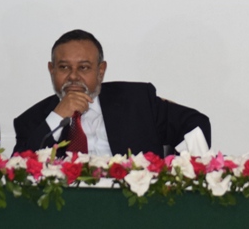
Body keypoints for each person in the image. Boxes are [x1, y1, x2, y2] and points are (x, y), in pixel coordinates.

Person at [13, 29, 211, 156]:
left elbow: (196, 124)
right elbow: (18, 167)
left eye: (83, 68)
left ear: (101, 71)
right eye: (64, 67)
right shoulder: (32, 120)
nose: (73, 76)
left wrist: (177, 167)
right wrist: (57, 116)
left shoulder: (137, 102)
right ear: (52, 70)